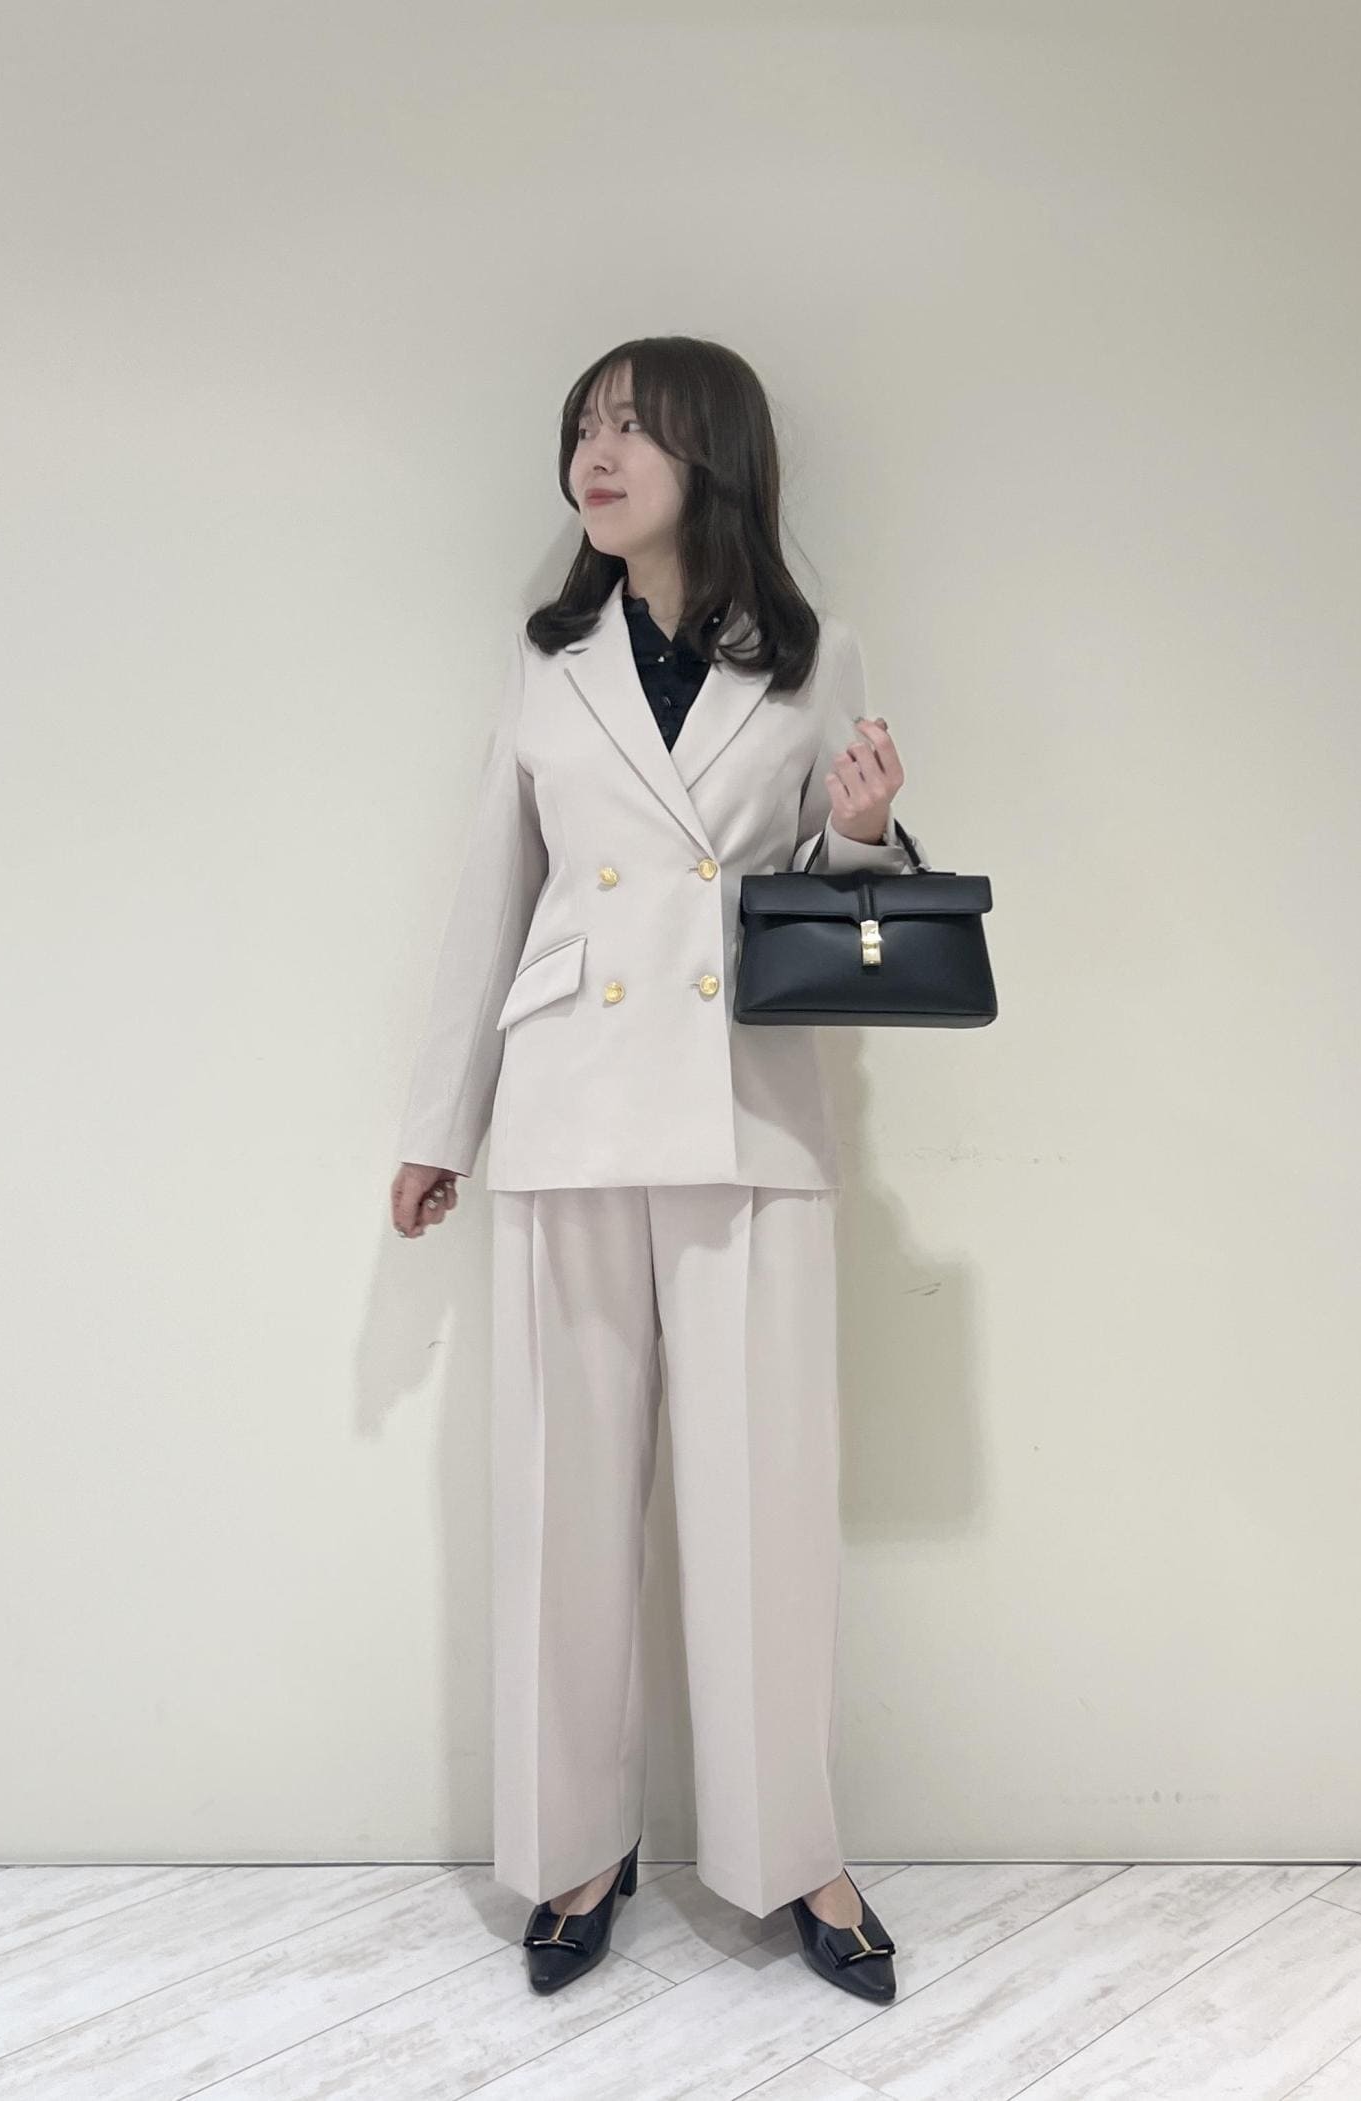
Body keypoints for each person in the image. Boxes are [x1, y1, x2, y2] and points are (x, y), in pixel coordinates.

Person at [389, 337, 925, 2001]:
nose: (596, 456)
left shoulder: (813, 656)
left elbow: (837, 897)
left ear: (716, 453)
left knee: (768, 1504)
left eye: (632, 427)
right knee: (561, 1499)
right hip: (568, 1098)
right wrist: (438, 1123)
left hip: (746, 1106)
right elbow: (491, 886)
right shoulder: (547, 659)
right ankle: (576, 1843)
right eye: (583, 429)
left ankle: (796, 1850)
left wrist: (859, 829)